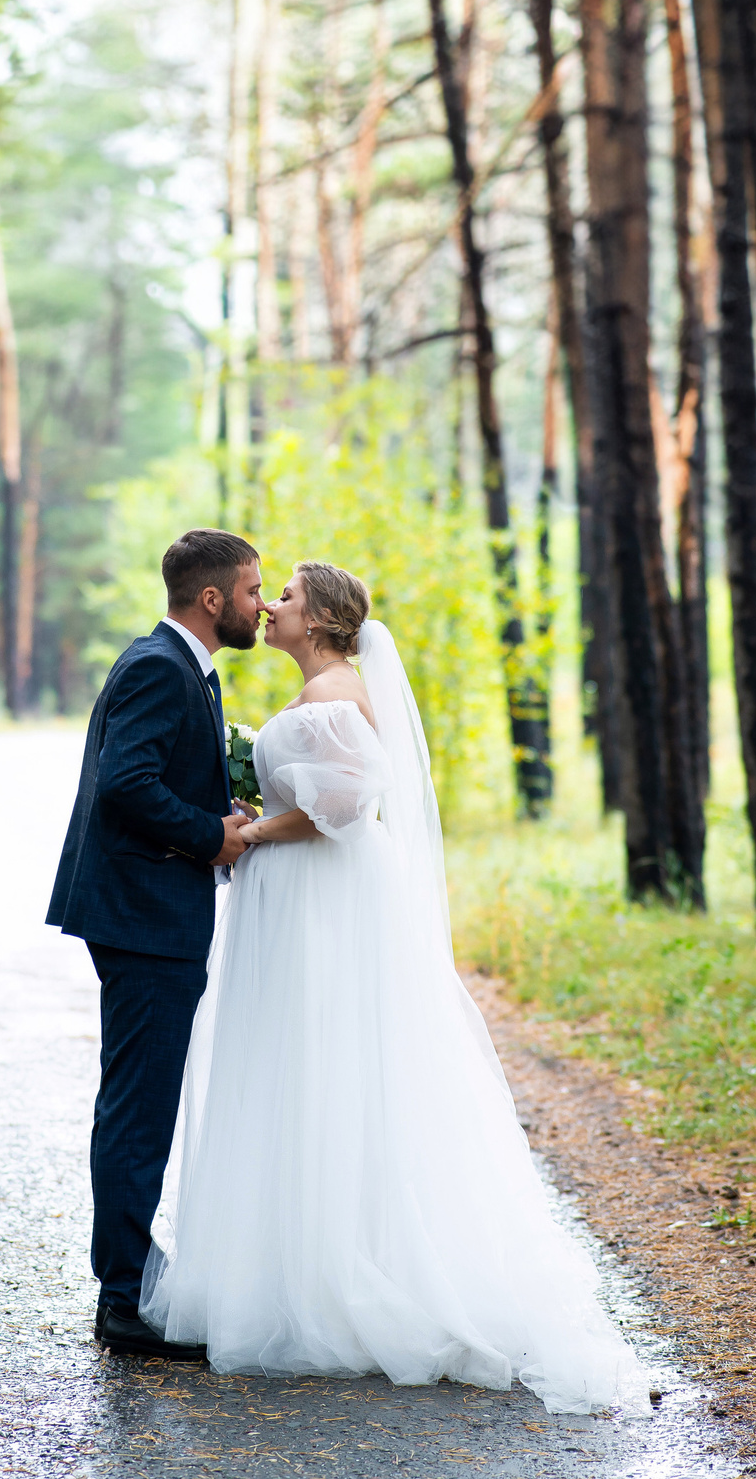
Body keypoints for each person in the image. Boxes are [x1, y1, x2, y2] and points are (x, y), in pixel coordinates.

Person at [140, 562, 648, 1414]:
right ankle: (292, 1264)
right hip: (297, 896)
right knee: (297, 1068)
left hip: (320, 901)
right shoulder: (325, 689)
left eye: (287, 599)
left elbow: (343, 804)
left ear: (326, 620)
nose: (271, 607)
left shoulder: (337, 694)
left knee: (323, 1059)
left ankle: (342, 1273)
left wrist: (253, 830)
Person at [47, 530, 263, 1359]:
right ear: (211, 601)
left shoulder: (182, 670)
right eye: (249, 591)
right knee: (139, 1107)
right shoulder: (158, 668)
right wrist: (210, 834)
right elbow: (126, 786)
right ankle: (123, 1299)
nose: (259, 604)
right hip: (143, 917)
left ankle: (131, 1274)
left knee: (143, 1101)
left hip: (152, 915)